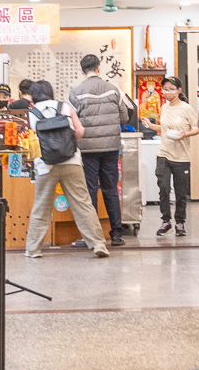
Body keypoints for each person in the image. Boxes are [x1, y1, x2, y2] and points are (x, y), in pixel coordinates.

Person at [24, 78, 109, 259]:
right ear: (51, 93)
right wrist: (65, 145)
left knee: (41, 206)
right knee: (83, 203)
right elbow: (79, 131)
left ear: (33, 96)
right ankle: (98, 244)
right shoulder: (64, 107)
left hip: (45, 165)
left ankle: (33, 249)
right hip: (72, 162)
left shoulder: (32, 113)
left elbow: (31, 141)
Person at [68, 55, 132, 247]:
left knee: (90, 191)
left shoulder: (76, 92)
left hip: (87, 149)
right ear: (98, 67)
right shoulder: (113, 89)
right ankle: (117, 234)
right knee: (110, 189)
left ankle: (93, 237)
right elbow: (125, 117)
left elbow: (73, 121)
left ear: (82, 71)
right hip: (111, 147)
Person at [155, 76, 196, 237]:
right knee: (163, 188)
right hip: (163, 154)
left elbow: (198, 127)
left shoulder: (187, 109)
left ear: (179, 90)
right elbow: (165, 129)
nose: (167, 92)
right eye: (165, 89)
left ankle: (180, 222)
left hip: (182, 157)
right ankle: (166, 221)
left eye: (171, 89)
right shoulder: (164, 108)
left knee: (180, 192)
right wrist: (151, 126)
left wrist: (185, 134)